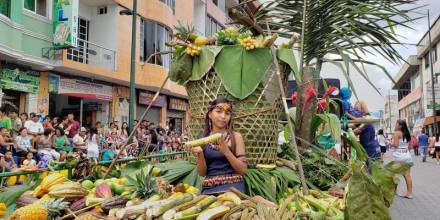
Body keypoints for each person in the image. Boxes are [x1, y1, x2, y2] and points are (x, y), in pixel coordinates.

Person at [189, 97, 247, 194]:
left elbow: (243, 170)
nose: (223, 116)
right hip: (209, 187)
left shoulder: (236, 137)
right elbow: (202, 173)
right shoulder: (202, 138)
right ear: (210, 114)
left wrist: (226, 151)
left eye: (227, 113)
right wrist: (200, 154)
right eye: (219, 111)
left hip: (233, 187)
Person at [389, 120, 413, 199]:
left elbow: (395, 145)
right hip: (407, 155)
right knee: (407, 175)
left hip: (399, 156)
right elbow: (410, 147)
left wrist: (389, 143)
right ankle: (409, 193)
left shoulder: (397, 133)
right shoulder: (408, 134)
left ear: (400, 126)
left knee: (395, 174)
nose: (395, 125)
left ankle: (394, 191)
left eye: (396, 124)